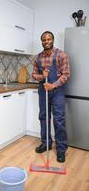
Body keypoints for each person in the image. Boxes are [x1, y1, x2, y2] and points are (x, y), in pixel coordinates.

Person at [32, 31, 70, 163]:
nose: (46, 41)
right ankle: (46, 143)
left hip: (57, 91)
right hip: (43, 91)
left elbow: (66, 75)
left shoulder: (61, 55)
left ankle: (61, 149)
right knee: (44, 118)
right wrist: (42, 76)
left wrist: (53, 85)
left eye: (49, 39)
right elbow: (34, 75)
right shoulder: (37, 58)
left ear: (53, 40)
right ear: (41, 41)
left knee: (58, 119)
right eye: (44, 39)